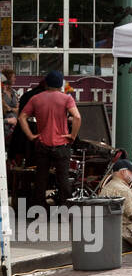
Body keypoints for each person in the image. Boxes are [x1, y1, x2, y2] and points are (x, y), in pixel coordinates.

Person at [18, 71, 81, 205]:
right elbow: (77, 117)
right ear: (60, 84)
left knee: (41, 179)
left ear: (46, 83)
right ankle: (66, 211)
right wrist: (72, 135)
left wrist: (30, 135)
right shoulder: (66, 98)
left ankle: (40, 211)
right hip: (61, 144)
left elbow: (22, 117)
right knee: (63, 179)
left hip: (42, 143)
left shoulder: (36, 98)